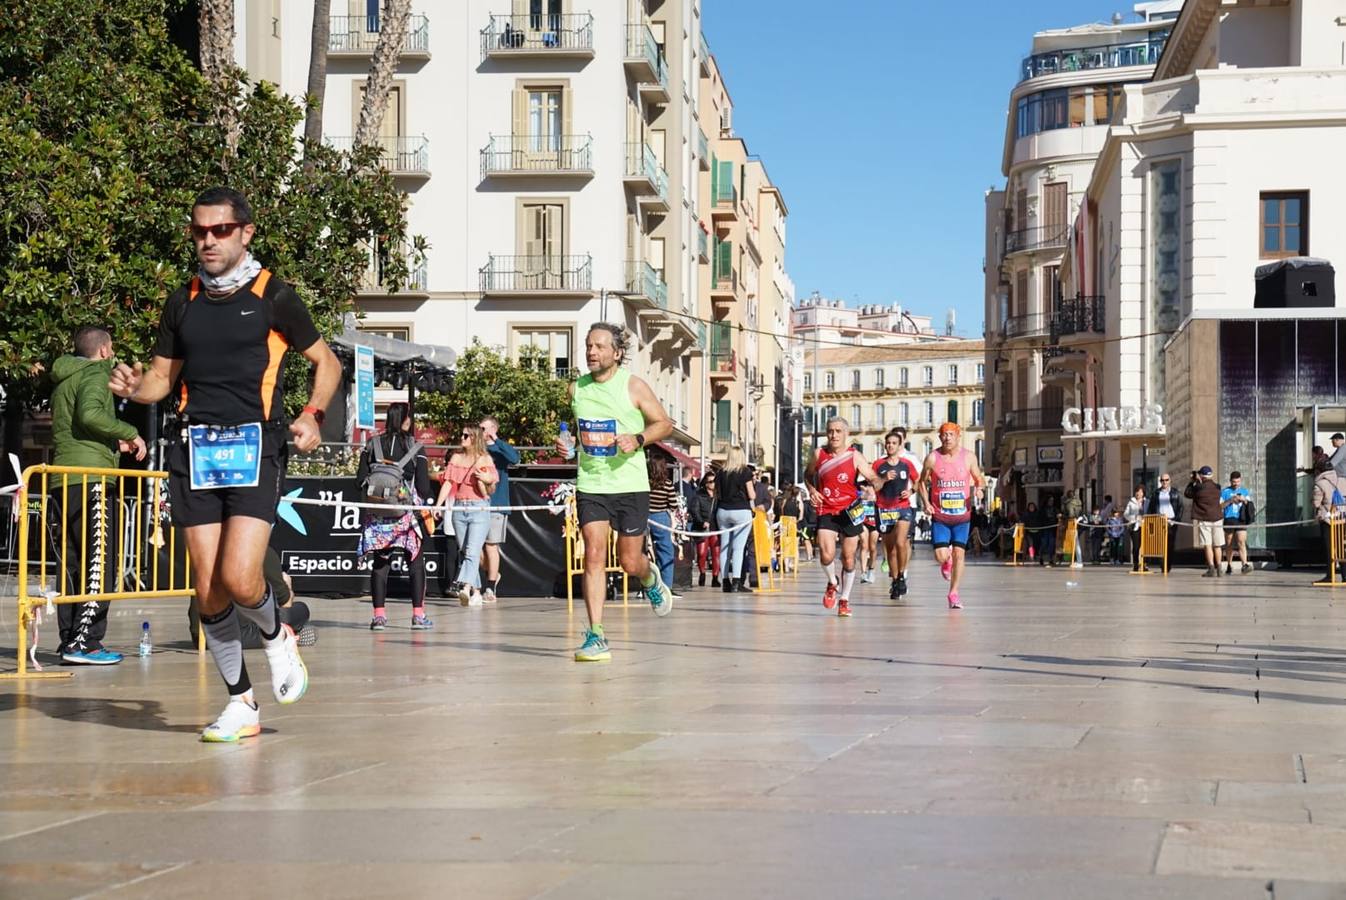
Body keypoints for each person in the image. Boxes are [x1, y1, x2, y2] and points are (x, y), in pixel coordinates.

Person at [109, 186, 340, 742]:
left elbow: (326, 363)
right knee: (208, 589)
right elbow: (164, 379)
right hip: (193, 450)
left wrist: (311, 414)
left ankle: (276, 633)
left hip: (256, 446)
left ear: (245, 233)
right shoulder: (182, 299)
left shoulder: (272, 296)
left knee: (240, 578)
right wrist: (136, 388)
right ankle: (241, 703)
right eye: (198, 231)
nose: (207, 241)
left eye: (219, 231)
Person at [555, 323, 673, 663]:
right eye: (589, 346)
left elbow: (664, 423)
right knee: (592, 554)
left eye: (599, 347)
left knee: (628, 560)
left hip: (630, 485)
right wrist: (565, 445)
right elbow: (571, 433)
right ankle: (596, 634)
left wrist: (636, 439)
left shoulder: (633, 386)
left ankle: (650, 579)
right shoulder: (576, 388)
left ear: (616, 353)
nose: (592, 352)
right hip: (592, 483)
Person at [50, 326, 148, 665]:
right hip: (92, 478)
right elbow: (90, 414)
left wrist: (112, 443)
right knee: (99, 561)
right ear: (105, 350)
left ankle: (69, 641)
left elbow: (79, 426)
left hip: (65, 476)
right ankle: (86, 643)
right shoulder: (96, 371)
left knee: (71, 564)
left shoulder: (65, 377)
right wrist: (131, 433)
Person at [357, 402, 433, 629]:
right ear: (406, 420)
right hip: (405, 514)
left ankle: (378, 617)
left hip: (378, 515)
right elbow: (423, 488)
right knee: (416, 563)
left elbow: (359, 480)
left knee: (380, 565)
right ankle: (418, 616)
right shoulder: (415, 447)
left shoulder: (372, 444)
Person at [807, 417, 884, 618]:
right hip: (826, 509)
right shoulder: (819, 454)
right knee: (826, 555)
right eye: (830, 431)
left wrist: (875, 485)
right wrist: (812, 490)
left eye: (838, 431)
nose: (834, 435)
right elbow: (808, 475)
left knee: (849, 559)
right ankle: (833, 582)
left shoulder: (855, 456)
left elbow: (873, 477)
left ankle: (844, 600)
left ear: (846, 434)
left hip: (850, 512)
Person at [917, 422, 985, 610]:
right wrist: (926, 503)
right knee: (941, 556)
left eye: (950, 434)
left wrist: (979, 490)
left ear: (958, 436)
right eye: (943, 435)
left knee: (959, 554)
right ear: (939, 438)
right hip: (940, 516)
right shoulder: (932, 458)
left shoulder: (969, 457)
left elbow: (980, 479)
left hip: (962, 517)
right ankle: (945, 563)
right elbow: (921, 483)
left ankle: (953, 593)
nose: (947, 438)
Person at [436, 424, 497, 606]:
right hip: (459, 508)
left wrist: (487, 479)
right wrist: (437, 505)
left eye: (466, 436)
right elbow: (448, 483)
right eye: (461, 435)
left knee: (472, 551)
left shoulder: (485, 458)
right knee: (465, 550)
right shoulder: (456, 457)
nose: (462, 438)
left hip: (478, 508)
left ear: (475, 439)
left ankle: (464, 586)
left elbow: (492, 483)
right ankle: (476, 591)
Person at [875, 428, 920, 600]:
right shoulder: (878, 465)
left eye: (894, 443)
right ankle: (894, 581)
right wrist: (884, 478)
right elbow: (874, 485)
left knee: (901, 543)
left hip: (902, 507)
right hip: (884, 508)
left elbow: (919, 481)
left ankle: (901, 575)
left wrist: (911, 492)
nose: (890, 446)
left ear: (900, 445)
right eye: (888, 443)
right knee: (890, 549)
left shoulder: (906, 464)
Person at [479, 416, 519, 603]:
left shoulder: (500, 448)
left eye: (485, 428)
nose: (482, 432)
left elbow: (515, 458)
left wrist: (496, 440)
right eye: (480, 428)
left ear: (493, 429)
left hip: (496, 503)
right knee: (472, 548)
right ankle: (491, 572)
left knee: (491, 545)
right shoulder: (476, 448)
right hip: (476, 502)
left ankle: (491, 586)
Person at [715, 446, 755, 593]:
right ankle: (736, 583)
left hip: (723, 511)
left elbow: (716, 493)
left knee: (725, 547)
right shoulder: (745, 471)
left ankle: (725, 581)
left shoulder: (720, 472)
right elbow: (752, 495)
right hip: (741, 511)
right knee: (738, 548)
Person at [646, 449, 679, 598]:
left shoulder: (645, 483)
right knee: (666, 552)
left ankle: (647, 587)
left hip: (645, 516)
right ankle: (666, 587)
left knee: (645, 552)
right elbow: (673, 504)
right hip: (660, 517)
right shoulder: (667, 484)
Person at [1186, 465, 1225, 577]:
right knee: (1217, 545)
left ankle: (1211, 569)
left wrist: (1192, 481)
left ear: (1202, 476)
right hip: (1217, 518)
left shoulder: (1198, 487)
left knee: (1207, 545)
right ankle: (1219, 569)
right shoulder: (1217, 487)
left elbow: (1187, 493)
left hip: (1204, 519)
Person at [1313, 462, 1346, 585]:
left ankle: (1330, 575)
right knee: (1342, 548)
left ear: (1319, 471)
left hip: (1328, 520)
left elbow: (1316, 503)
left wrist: (1318, 512)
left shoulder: (1320, 483)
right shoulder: (1342, 480)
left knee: (1329, 548)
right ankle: (1345, 575)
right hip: (1342, 518)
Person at [1221, 470, 1253, 575]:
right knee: (1229, 543)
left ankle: (1244, 564)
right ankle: (1229, 565)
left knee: (1241, 541)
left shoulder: (1245, 491)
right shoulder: (1225, 492)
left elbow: (1250, 505)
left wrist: (1244, 500)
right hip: (1229, 518)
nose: (1236, 484)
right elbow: (1220, 506)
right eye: (1234, 482)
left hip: (1241, 519)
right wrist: (1230, 500)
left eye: (1238, 481)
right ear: (1230, 481)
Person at [692, 470, 720, 587]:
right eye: (711, 482)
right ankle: (702, 572)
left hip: (716, 527)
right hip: (702, 528)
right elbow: (694, 510)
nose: (713, 484)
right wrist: (701, 521)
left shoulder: (719, 496)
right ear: (705, 483)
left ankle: (715, 577)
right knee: (702, 553)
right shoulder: (699, 495)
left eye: (715, 481)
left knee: (716, 553)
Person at [1148, 473, 1184, 566]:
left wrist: (1176, 520)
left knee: (1170, 544)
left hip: (1171, 521)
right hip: (1159, 520)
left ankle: (1167, 564)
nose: (1164, 482)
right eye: (1162, 480)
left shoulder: (1175, 492)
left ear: (1170, 480)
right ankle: (1162, 564)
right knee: (1160, 543)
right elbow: (1151, 508)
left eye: (1166, 480)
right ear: (1160, 481)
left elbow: (1180, 508)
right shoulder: (1156, 493)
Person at [859, 484, 880, 584]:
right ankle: (863, 572)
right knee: (864, 545)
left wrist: (874, 497)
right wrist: (862, 495)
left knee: (873, 547)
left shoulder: (877, 487)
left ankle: (871, 569)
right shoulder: (860, 487)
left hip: (875, 520)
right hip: (863, 520)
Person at [1123, 485, 1146, 571]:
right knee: (1136, 546)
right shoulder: (1131, 502)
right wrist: (1134, 518)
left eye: (1140, 492)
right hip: (1135, 527)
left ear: (1143, 493)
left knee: (1145, 546)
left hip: (1144, 527)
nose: (1138, 493)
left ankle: (1144, 563)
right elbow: (1126, 514)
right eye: (1137, 491)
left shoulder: (1146, 502)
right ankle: (1136, 563)